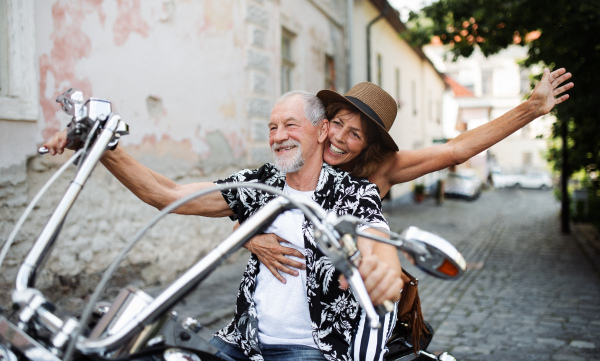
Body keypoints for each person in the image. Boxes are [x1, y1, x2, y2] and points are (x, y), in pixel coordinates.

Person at [44, 91, 403, 361]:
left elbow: (376, 237)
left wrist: (384, 271)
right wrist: (104, 146)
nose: (278, 136)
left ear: (321, 130)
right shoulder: (262, 183)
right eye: (272, 128)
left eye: (290, 125)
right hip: (242, 341)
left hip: (309, 349)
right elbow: (167, 193)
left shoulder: (353, 192)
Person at [242, 67, 574, 283]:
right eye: (338, 124)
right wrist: (253, 239)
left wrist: (530, 109)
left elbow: (454, 150)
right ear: (323, 125)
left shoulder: (381, 169)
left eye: (355, 134)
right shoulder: (296, 158)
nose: (340, 138)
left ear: (369, 146)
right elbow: (243, 205)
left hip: (347, 301)